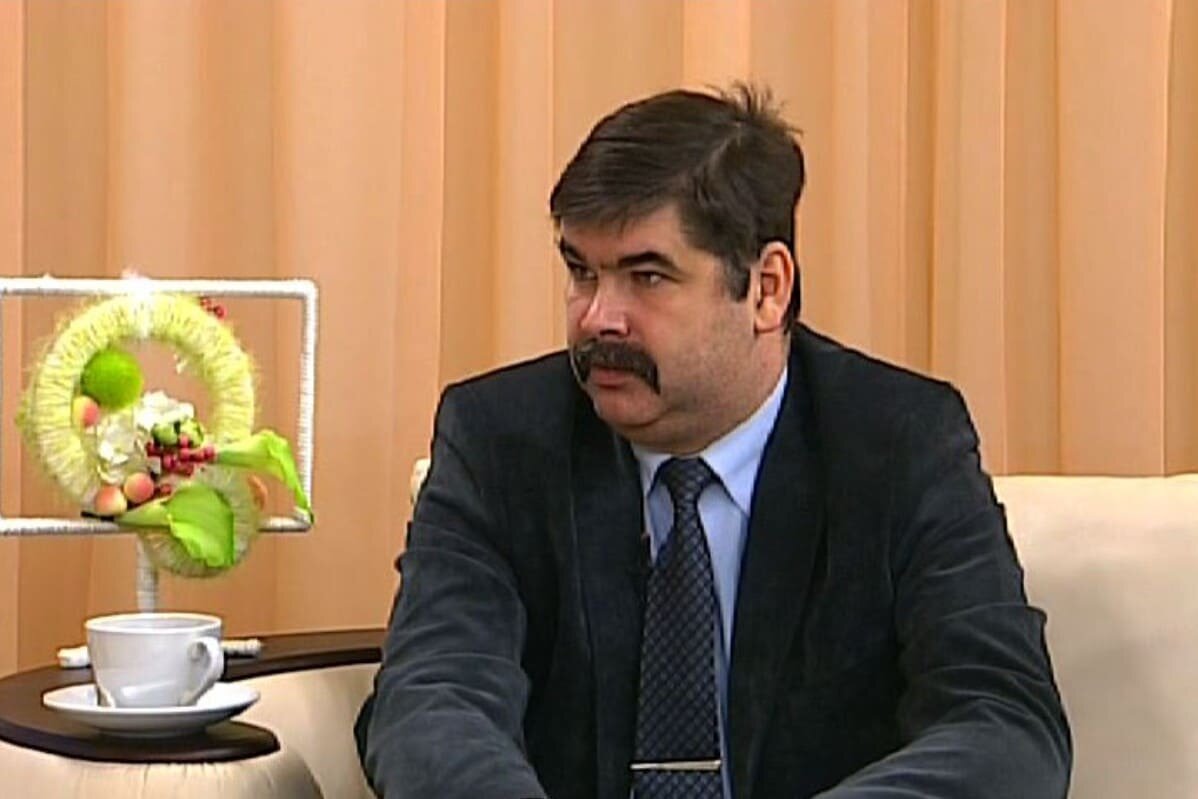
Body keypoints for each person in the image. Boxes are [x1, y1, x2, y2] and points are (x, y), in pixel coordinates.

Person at [356, 84, 1071, 798]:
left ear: (767, 288)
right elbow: (434, 698)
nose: (598, 318)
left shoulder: (897, 442)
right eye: (582, 272)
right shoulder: (501, 440)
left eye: (647, 276)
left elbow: (1002, 724)